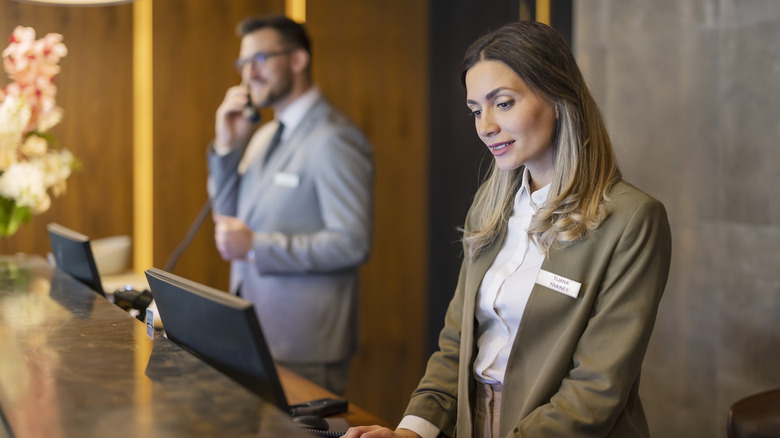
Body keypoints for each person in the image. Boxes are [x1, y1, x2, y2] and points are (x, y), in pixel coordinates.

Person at [345, 21, 671, 438]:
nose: (485, 126)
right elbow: (456, 347)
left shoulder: (633, 219)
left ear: (557, 97)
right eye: (476, 110)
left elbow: (595, 390)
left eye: (502, 103)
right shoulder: (490, 206)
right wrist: (410, 432)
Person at [207, 15, 374, 396]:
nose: (249, 73)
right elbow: (227, 219)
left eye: (260, 58)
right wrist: (226, 147)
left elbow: (352, 243)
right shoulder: (262, 134)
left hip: (304, 345)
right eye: (243, 63)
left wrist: (256, 246)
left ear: (298, 60)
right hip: (251, 332)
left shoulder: (335, 138)